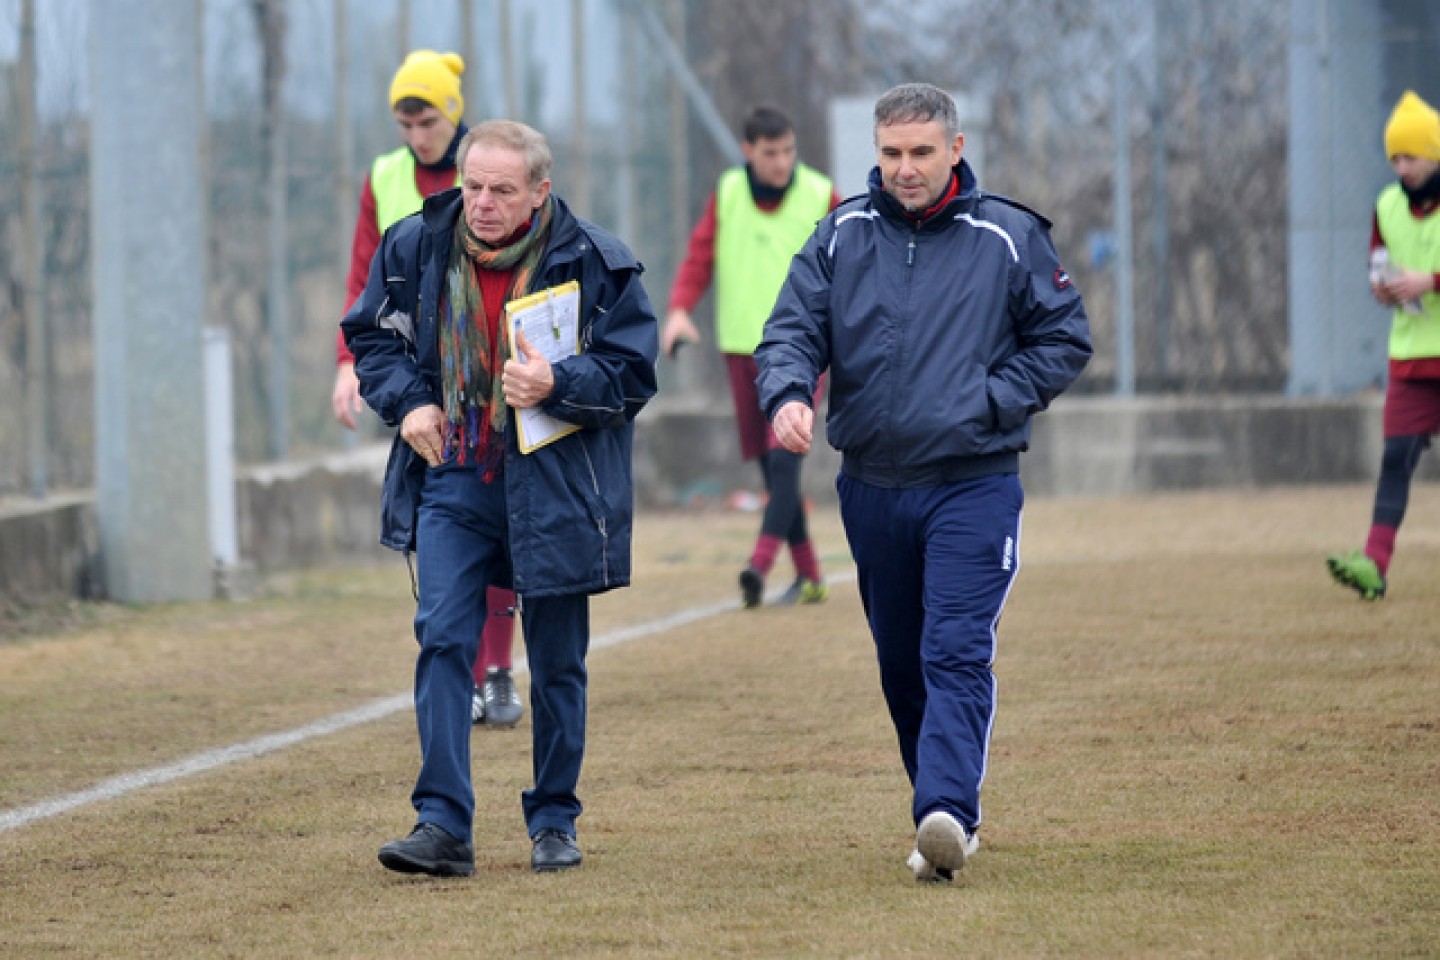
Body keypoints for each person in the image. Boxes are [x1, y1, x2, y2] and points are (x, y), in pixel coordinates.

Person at [755, 83, 1092, 882]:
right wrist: (789, 393)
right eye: (890, 153)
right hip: (871, 486)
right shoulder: (839, 235)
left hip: (972, 485)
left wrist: (989, 402)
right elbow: (790, 329)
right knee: (901, 665)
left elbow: (1064, 336)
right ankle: (939, 802)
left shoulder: (1008, 236)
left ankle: (946, 811)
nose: (904, 169)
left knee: (954, 649)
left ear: (955, 149)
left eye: (920, 153)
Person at [342, 119, 658, 875]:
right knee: (442, 637)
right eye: (472, 185)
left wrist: (559, 382)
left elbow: (633, 374)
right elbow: (371, 337)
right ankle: (442, 825)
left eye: (501, 190)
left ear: (539, 192)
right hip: (453, 476)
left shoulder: (597, 262)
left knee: (556, 665)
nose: (481, 202)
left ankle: (554, 819)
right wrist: (411, 401)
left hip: (552, 484)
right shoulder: (414, 246)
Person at [331, 49, 523, 727]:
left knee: (497, 529)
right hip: (419, 378)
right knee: (443, 526)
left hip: (488, 373)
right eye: (405, 122)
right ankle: (470, 674)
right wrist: (346, 363)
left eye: (427, 119)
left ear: (452, 111)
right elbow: (366, 277)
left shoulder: (489, 165)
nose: (417, 135)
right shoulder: (385, 177)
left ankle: (498, 670)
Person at [662, 105, 841, 609]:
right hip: (743, 352)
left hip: (805, 351)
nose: (782, 161)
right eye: (770, 153)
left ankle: (757, 565)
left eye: (788, 150)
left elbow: (854, 260)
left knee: (785, 465)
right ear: (748, 151)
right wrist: (678, 310)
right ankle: (809, 576)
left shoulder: (821, 194)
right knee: (771, 467)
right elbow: (699, 258)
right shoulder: (728, 194)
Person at [1328, 90, 1440, 602]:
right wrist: (1384, 287)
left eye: (1411, 155)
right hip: (1410, 357)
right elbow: (1380, 260)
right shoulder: (1386, 205)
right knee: (1395, 459)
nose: (1402, 166)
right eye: (1395, 156)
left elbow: (1425, 275)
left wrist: (1430, 282)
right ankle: (1373, 565)